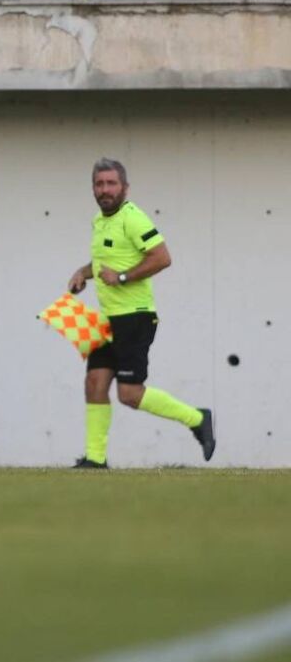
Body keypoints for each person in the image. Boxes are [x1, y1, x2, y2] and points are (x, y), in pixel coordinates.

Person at [68, 158, 215, 468]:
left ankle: (197, 418)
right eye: (99, 184)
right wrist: (84, 272)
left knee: (130, 394)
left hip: (135, 318)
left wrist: (122, 278)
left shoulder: (132, 218)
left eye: (111, 183)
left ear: (125, 188)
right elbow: (107, 261)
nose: (105, 189)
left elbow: (162, 257)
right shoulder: (100, 220)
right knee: (94, 382)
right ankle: (95, 459)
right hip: (106, 318)